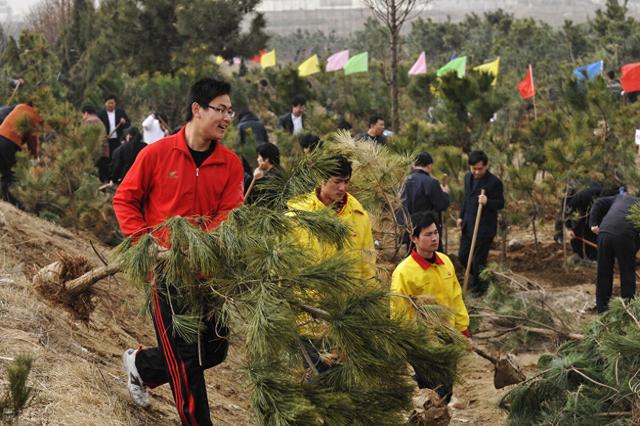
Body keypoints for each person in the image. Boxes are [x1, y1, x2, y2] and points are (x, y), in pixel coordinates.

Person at [113, 78, 244, 426]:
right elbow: (125, 199)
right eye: (220, 109)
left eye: (230, 110)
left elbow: (231, 213)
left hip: (207, 275)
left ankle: (141, 365)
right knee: (186, 361)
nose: (227, 117)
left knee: (214, 349)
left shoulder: (230, 164)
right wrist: (145, 245)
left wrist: (202, 247)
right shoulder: (157, 154)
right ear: (197, 110)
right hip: (166, 274)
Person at [287, 155, 376, 373]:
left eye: (346, 181)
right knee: (314, 377)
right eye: (337, 181)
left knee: (340, 381)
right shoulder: (297, 217)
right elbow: (282, 263)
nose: (342, 187)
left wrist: (370, 307)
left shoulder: (359, 216)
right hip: (307, 315)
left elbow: (368, 265)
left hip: (344, 315)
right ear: (321, 179)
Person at [390, 211, 469, 402]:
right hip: (424, 345)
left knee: (446, 392)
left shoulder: (445, 262)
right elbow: (399, 312)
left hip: (448, 338)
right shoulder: (404, 272)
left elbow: (456, 298)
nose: (434, 238)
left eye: (435, 232)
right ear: (414, 238)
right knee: (434, 396)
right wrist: (409, 345)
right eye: (428, 234)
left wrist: (463, 328)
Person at [457, 150, 504, 297]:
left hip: (484, 228)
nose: (477, 172)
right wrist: (461, 216)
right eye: (474, 168)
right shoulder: (467, 178)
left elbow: (501, 203)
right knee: (463, 256)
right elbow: (466, 199)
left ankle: (479, 289)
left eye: (480, 168)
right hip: (468, 224)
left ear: (486, 166)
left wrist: (487, 202)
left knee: (478, 259)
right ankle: (486, 278)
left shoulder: (494, 182)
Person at [589, 191, 639, 313]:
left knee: (603, 272)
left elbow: (598, 202)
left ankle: (602, 309)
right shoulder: (637, 208)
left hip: (604, 233)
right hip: (624, 236)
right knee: (627, 272)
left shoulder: (620, 197)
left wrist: (593, 224)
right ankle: (628, 309)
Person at [397, 152, 450, 251]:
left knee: (412, 258)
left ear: (414, 164)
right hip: (427, 230)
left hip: (409, 229)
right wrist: (445, 193)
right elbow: (442, 204)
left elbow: (399, 206)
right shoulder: (431, 182)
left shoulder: (404, 181)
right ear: (430, 166)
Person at [0, 103, 44, 206]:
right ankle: (10, 202)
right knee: (11, 176)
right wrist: (35, 158)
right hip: (9, 143)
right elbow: (32, 140)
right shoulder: (35, 116)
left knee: (5, 171)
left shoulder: (20, 107)